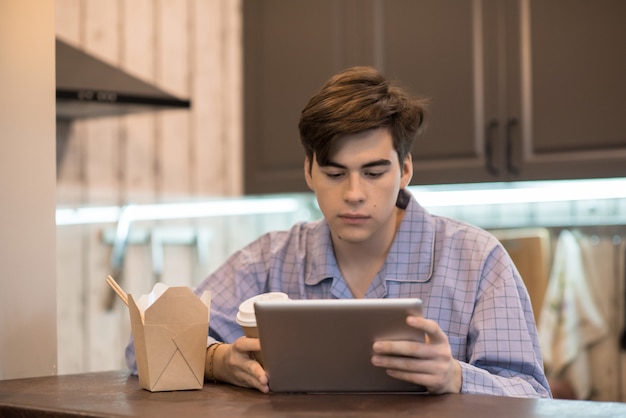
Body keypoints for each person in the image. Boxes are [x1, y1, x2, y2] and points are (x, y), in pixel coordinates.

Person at [125, 66, 551, 398]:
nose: (353, 194)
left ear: (405, 170)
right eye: (334, 172)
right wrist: (218, 361)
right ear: (309, 171)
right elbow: (142, 347)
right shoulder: (270, 259)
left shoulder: (479, 261)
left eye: (373, 172)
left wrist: (455, 376)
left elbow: (534, 396)